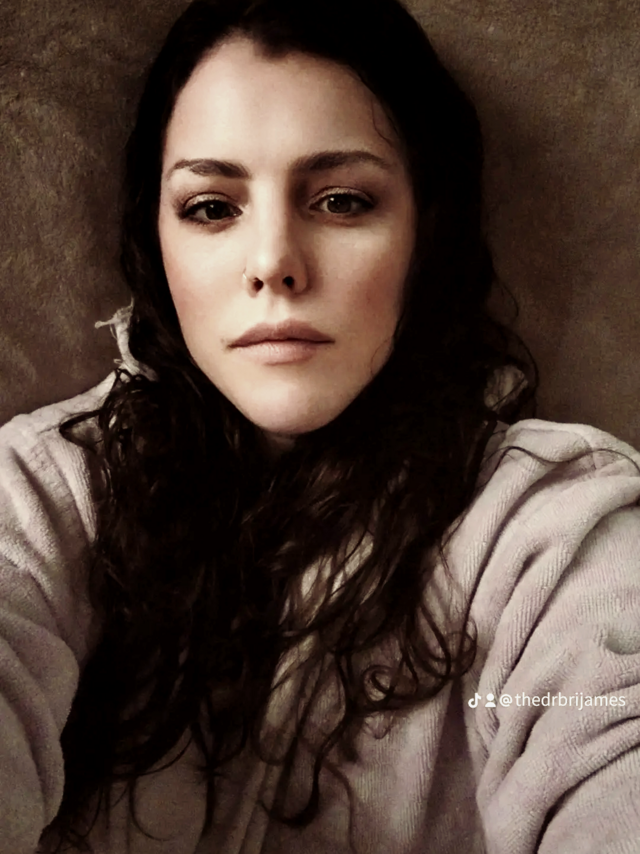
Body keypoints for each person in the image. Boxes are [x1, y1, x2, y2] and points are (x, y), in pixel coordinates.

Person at [1, 0, 639, 851]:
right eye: (211, 208)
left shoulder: (552, 534)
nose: (274, 263)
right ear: (156, 241)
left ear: (426, 232)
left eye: (341, 201)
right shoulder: (47, 490)